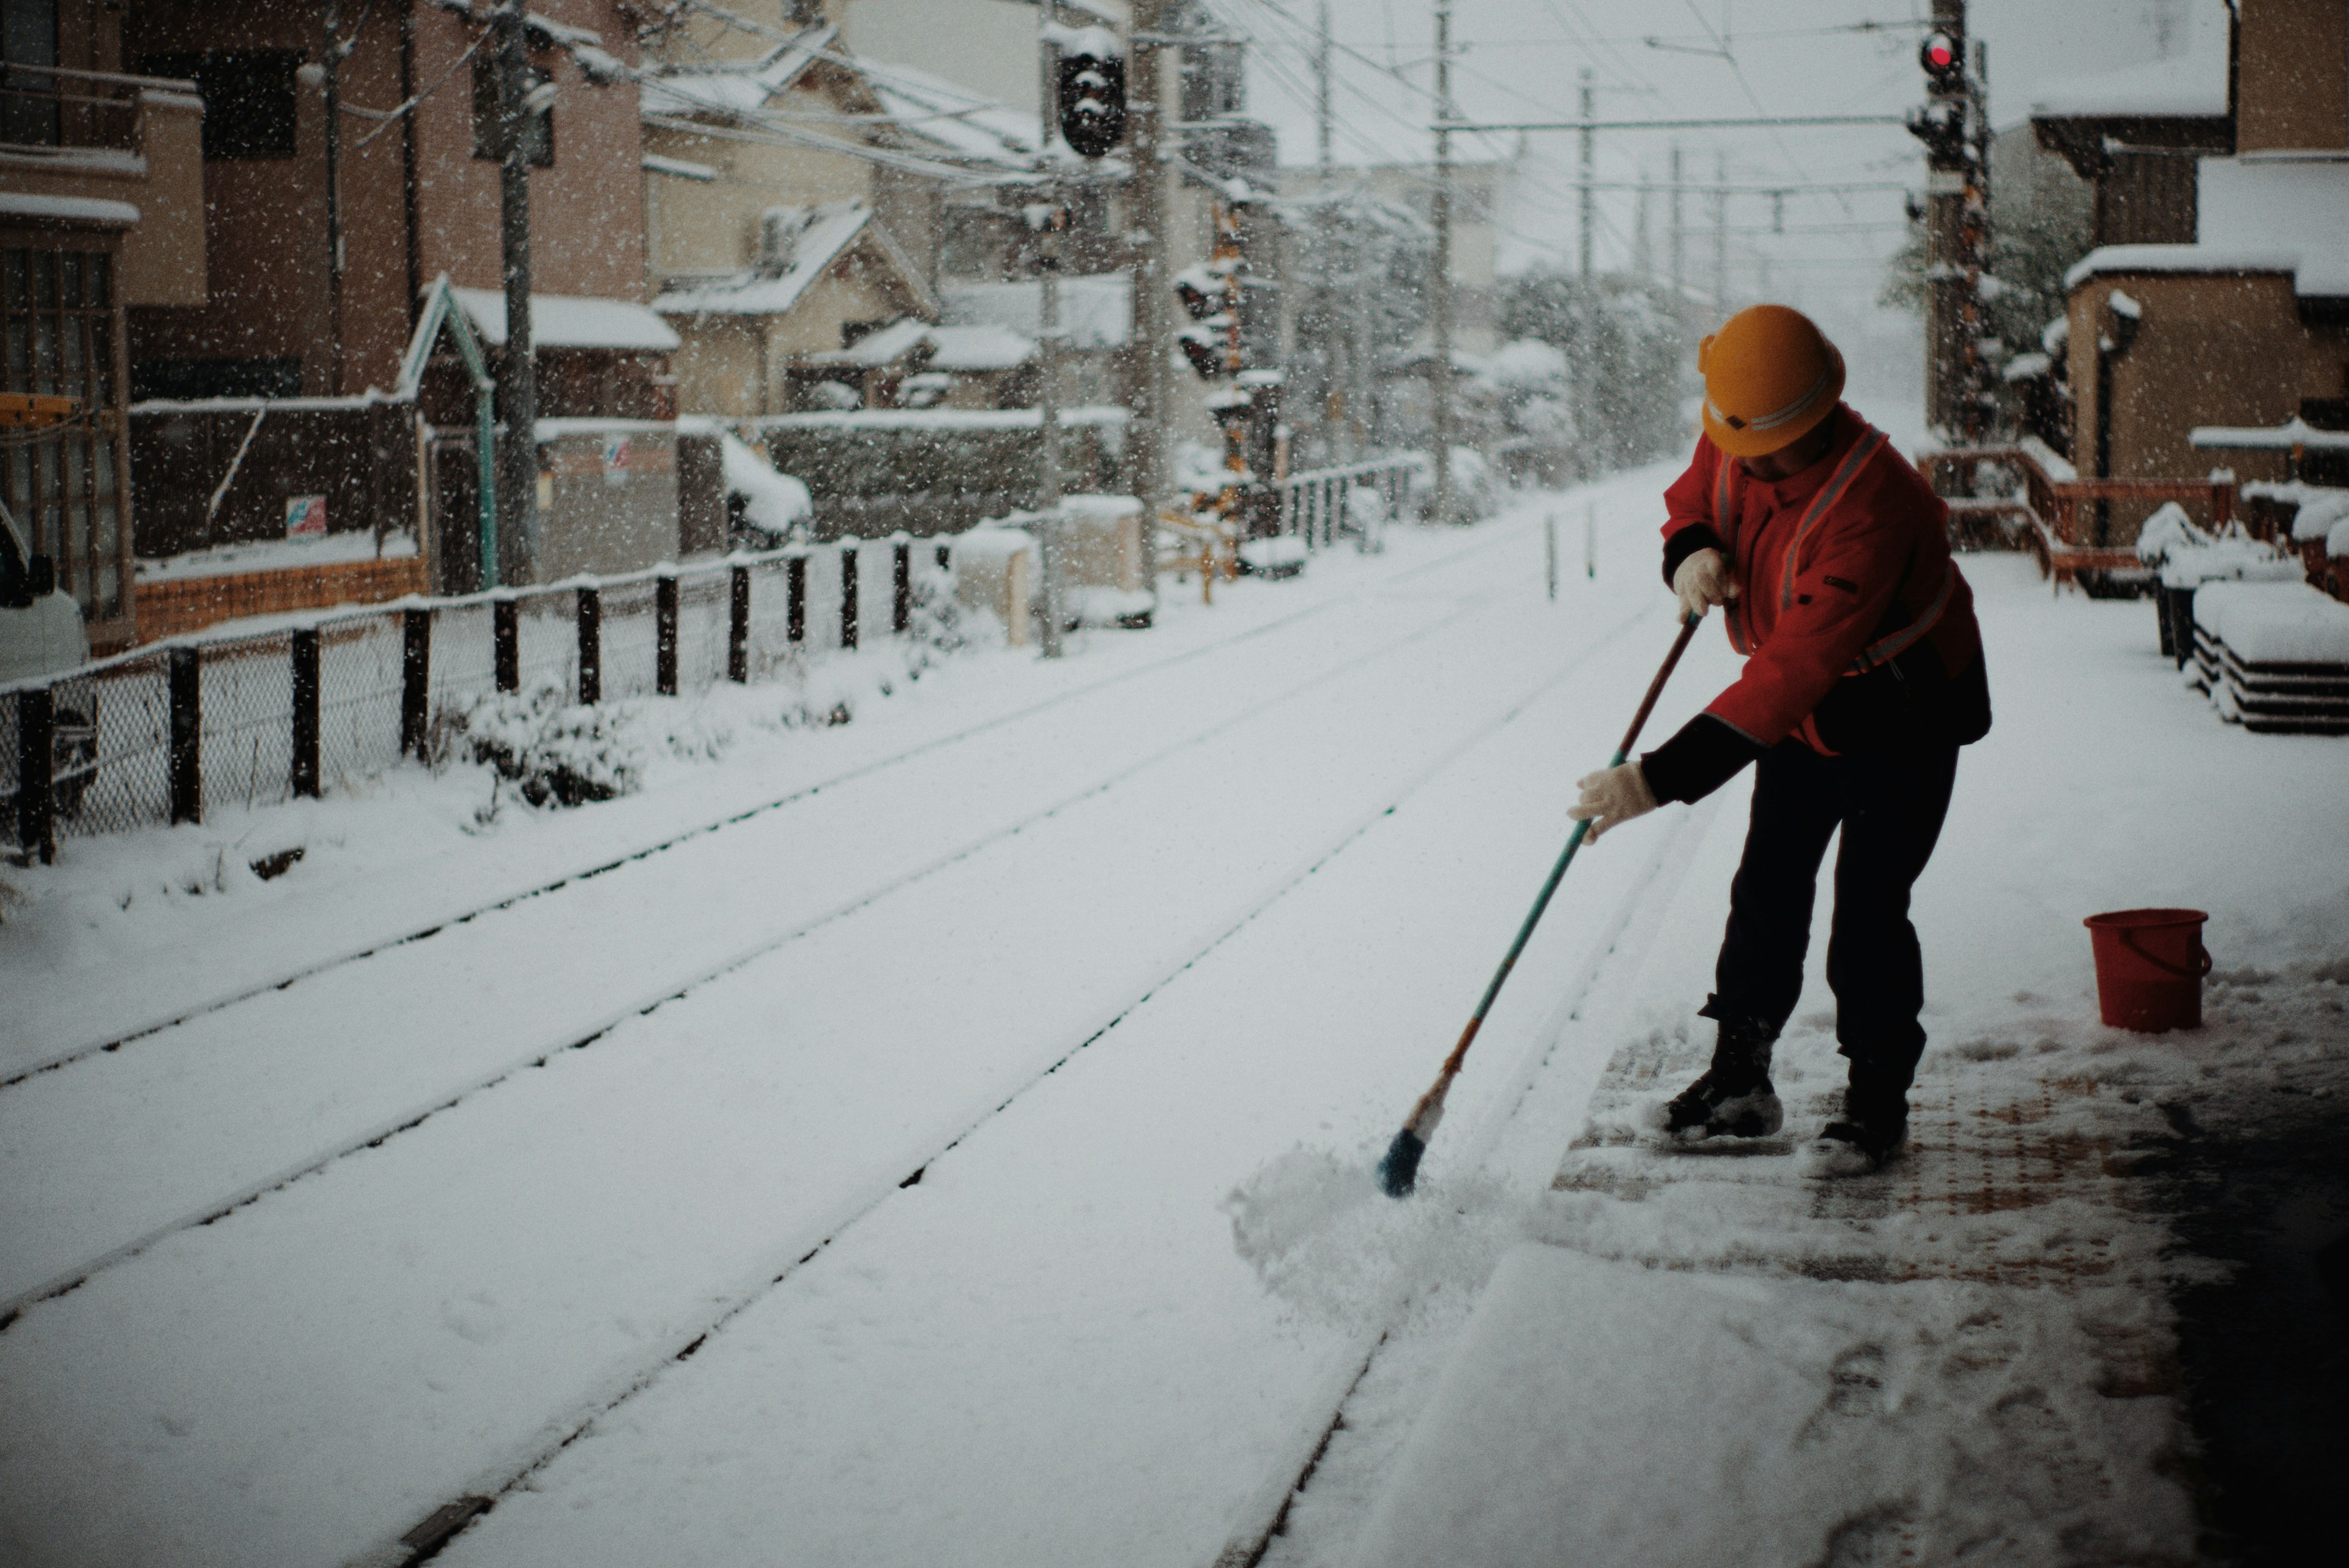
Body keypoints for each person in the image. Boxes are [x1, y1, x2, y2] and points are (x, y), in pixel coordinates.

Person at [1566, 305, 1991, 1176]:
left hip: (1902, 718)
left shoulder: (1872, 501)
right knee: (1765, 889)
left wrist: (1656, 779)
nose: (1752, 464)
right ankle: (1739, 1082)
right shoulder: (1740, 425)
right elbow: (1695, 498)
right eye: (1742, 447)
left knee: (1869, 915)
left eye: (1775, 450)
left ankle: (1876, 1099)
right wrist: (1689, 550)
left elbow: (1791, 670)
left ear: (1823, 411)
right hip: (1807, 714)